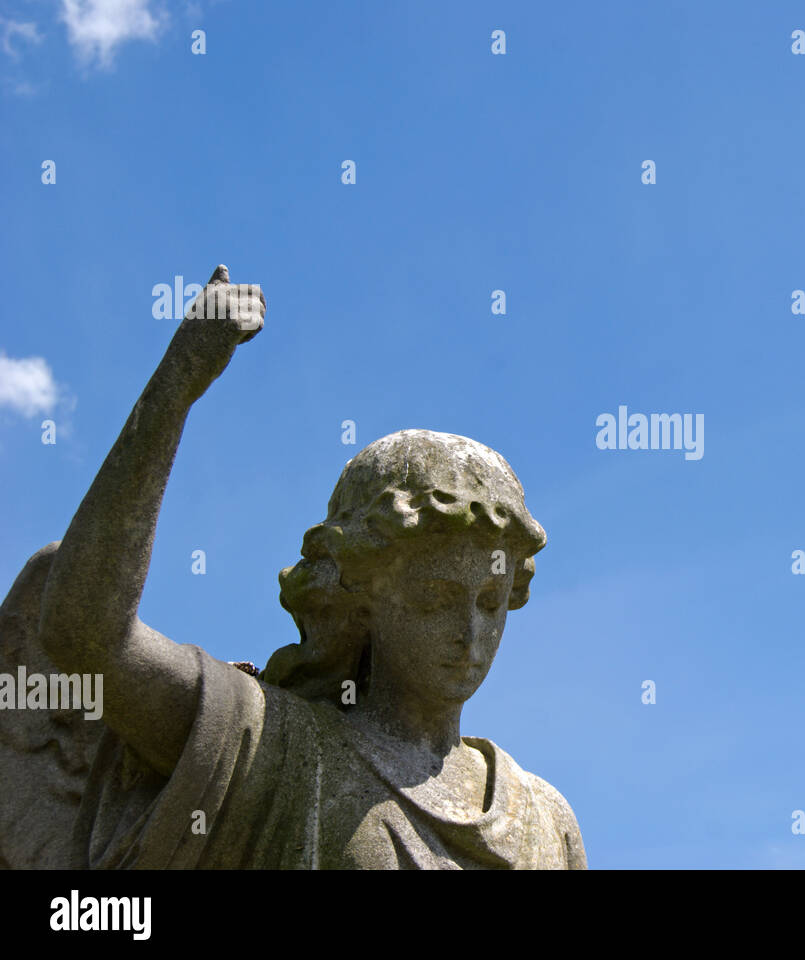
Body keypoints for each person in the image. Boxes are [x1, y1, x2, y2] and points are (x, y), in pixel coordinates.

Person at [29, 266, 584, 869]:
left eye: (489, 603)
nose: (469, 634)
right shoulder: (276, 749)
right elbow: (89, 638)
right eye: (433, 597)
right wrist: (177, 384)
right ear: (361, 595)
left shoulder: (545, 820)